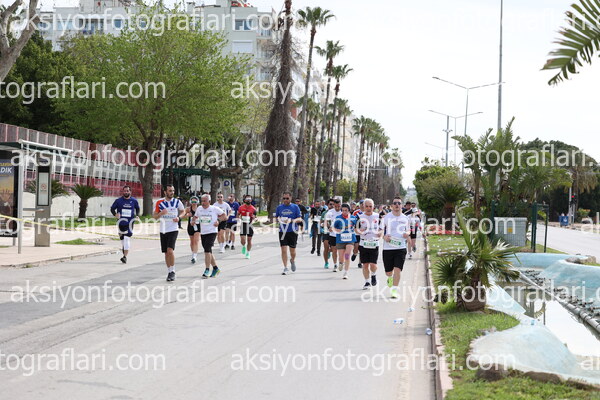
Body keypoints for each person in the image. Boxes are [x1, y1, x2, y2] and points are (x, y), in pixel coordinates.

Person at [153, 185, 186, 282]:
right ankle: (169, 271)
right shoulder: (159, 202)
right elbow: (154, 216)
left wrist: (179, 217)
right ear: (165, 192)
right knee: (166, 253)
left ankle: (173, 271)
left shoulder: (177, 202)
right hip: (163, 230)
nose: (172, 192)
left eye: (173, 190)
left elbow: (183, 211)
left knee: (170, 250)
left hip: (173, 229)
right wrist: (161, 213)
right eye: (170, 191)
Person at [381, 196, 410, 299]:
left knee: (397, 270)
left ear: (402, 206)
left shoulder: (405, 218)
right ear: (392, 206)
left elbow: (408, 230)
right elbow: (380, 230)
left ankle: (394, 290)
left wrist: (407, 233)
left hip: (400, 248)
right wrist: (384, 237)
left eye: (399, 203)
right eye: (395, 203)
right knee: (388, 272)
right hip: (388, 248)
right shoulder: (386, 217)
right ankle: (390, 278)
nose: (397, 205)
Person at [196, 194, 228, 278]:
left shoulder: (214, 208)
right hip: (203, 232)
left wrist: (218, 221)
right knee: (208, 251)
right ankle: (215, 268)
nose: (203, 203)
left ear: (209, 201)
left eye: (204, 201)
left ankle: (207, 270)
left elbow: (224, 216)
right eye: (202, 201)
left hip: (212, 232)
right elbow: (195, 217)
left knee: (207, 250)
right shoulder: (199, 209)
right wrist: (193, 221)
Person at [110, 185, 140, 264]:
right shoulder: (118, 201)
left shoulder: (134, 201)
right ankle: (124, 252)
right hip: (121, 222)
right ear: (123, 192)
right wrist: (115, 214)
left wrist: (137, 215)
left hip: (130, 222)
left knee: (127, 238)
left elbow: (137, 208)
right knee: (122, 239)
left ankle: (125, 257)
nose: (126, 192)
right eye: (125, 191)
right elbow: (112, 208)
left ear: (130, 192)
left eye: (127, 191)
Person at [355, 198, 380, 290]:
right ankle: (367, 282)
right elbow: (355, 229)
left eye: (370, 206)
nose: (368, 208)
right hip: (363, 243)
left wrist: (380, 233)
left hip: (374, 243)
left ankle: (373, 274)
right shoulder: (359, 216)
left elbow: (382, 228)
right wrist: (359, 231)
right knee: (365, 265)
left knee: (373, 264)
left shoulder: (378, 216)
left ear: (373, 207)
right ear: (363, 207)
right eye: (367, 206)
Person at [276, 192, 303, 275]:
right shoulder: (279, 207)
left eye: (287, 198)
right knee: (283, 250)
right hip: (282, 231)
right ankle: (285, 267)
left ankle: (292, 260)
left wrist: (291, 220)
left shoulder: (295, 207)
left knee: (292, 251)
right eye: (284, 198)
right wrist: (280, 220)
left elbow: (299, 219)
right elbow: (276, 217)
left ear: (291, 198)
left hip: (293, 231)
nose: (285, 200)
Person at [333, 203, 357, 280]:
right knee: (341, 257)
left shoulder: (353, 218)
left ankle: (346, 272)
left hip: (350, 239)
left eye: (346, 210)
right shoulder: (338, 218)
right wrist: (337, 230)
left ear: (349, 210)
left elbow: (356, 227)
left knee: (347, 255)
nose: (344, 212)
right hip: (340, 239)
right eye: (343, 210)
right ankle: (341, 263)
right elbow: (334, 227)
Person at [324, 198, 342, 271]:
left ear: (340, 205)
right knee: (334, 250)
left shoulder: (343, 211)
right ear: (334, 205)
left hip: (341, 234)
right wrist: (329, 227)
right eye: (336, 206)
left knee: (341, 250)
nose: (337, 208)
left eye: (338, 206)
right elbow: (326, 221)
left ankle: (341, 262)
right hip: (333, 234)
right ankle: (335, 264)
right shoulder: (330, 212)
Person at [238, 194, 257, 259]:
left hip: (250, 225)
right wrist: (238, 218)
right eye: (247, 199)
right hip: (243, 225)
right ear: (245, 200)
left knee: (249, 240)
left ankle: (248, 253)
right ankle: (243, 246)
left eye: (249, 199)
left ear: (251, 200)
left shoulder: (253, 209)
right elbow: (238, 214)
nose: (248, 200)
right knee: (243, 240)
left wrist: (254, 217)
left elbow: (255, 216)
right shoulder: (241, 207)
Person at [184, 196, 201, 264]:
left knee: (196, 241)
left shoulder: (200, 209)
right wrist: (187, 215)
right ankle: (193, 253)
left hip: (197, 226)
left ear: (197, 202)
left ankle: (194, 256)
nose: (194, 203)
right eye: (192, 202)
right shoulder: (188, 209)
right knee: (192, 241)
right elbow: (182, 215)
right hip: (190, 226)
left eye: (195, 202)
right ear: (190, 202)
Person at [320, 199, 334, 268]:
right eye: (330, 204)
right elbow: (321, 222)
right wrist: (323, 225)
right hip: (326, 232)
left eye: (333, 204)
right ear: (327, 205)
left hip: (334, 233)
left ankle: (329, 251)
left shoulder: (336, 213)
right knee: (326, 247)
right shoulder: (324, 213)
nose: (332, 206)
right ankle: (326, 263)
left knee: (333, 248)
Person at [352, 200, 365, 269]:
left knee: (362, 248)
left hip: (364, 233)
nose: (362, 205)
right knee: (356, 247)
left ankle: (360, 262)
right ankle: (355, 253)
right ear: (359, 205)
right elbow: (352, 221)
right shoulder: (356, 212)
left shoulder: (368, 212)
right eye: (361, 204)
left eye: (363, 204)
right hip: (356, 232)